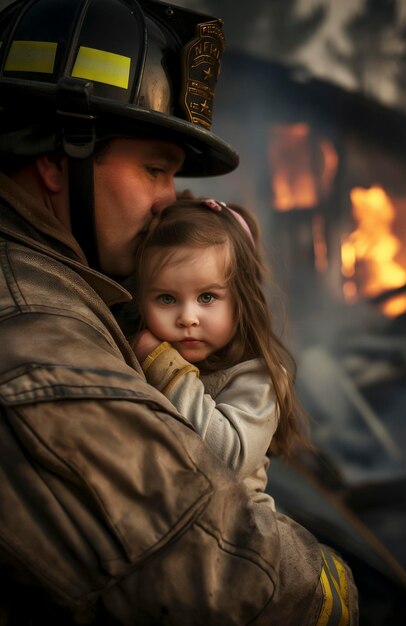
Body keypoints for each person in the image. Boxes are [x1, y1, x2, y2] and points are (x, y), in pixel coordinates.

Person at [0, 0, 358, 624]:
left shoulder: (66, 284)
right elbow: (218, 577)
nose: (170, 201)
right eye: (153, 170)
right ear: (59, 162)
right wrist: (336, 589)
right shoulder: (39, 337)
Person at [131, 197, 308, 510]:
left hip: (239, 538)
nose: (187, 317)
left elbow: (228, 459)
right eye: (167, 299)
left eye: (207, 296)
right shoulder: (135, 354)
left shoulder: (258, 380)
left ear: (241, 300)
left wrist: (167, 369)